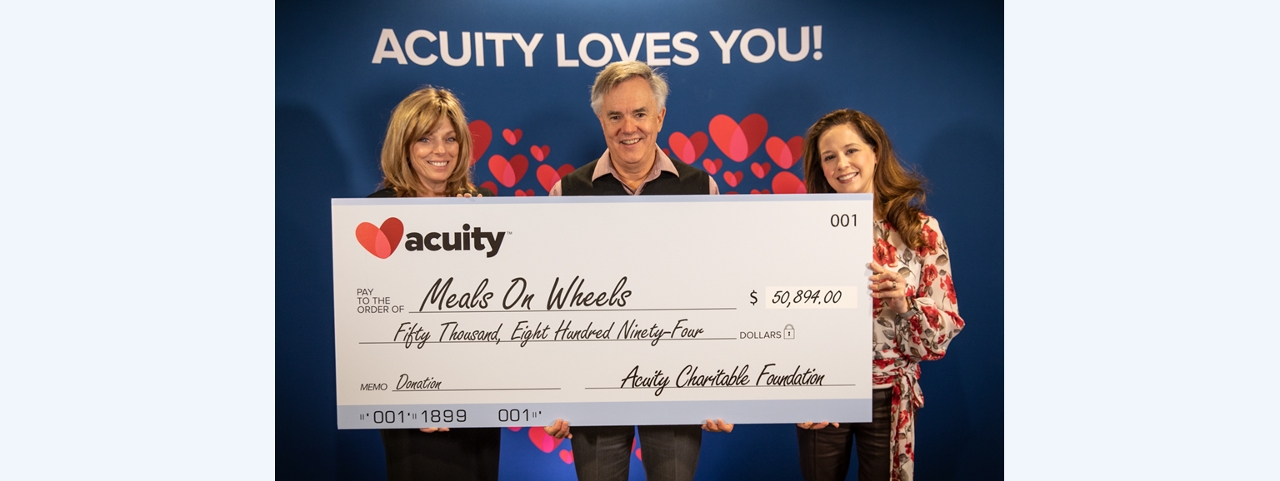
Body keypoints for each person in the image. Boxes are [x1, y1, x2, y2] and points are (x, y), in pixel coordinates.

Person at [542, 60, 731, 481]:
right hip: (593, 388)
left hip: (679, 382)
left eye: (640, 113)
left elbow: (721, 293)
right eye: (615, 115)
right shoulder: (565, 194)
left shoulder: (703, 189)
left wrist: (722, 385)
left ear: (660, 116)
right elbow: (550, 303)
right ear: (601, 120)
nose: (629, 127)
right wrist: (556, 394)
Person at [795, 109, 964, 481]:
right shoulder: (802, 230)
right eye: (829, 157)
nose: (842, 164)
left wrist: (905, 304)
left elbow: (943, 330)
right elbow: (783, 318)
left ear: (875, 152)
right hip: (825, 392)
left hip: (890, 397)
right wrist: (799, 388)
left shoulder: (921, 231)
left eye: (851, 150)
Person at [368, 86, 497, 481]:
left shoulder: (485, 206)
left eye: (450, 138)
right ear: (404, 146)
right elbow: (374, 316)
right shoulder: (377, 216)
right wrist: (414, 397)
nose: (440, 150)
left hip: (478, 397)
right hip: (412, 401)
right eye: (425, 138)